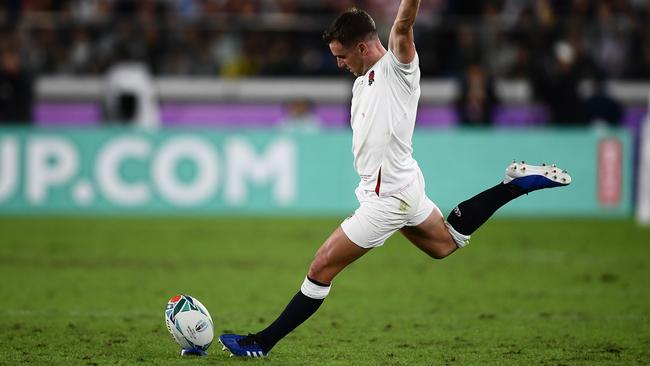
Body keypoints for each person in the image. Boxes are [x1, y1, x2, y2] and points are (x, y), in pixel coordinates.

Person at [217, 2, 571, 359]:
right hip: (402, 183)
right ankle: (514, 185)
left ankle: (260, 343)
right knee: (445, 244)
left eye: (341, 56)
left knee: (321, 266)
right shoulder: (360, 83)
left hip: (388, 199)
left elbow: (403, 24)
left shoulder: (397, 68)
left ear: (362, 47)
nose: (339, 63)